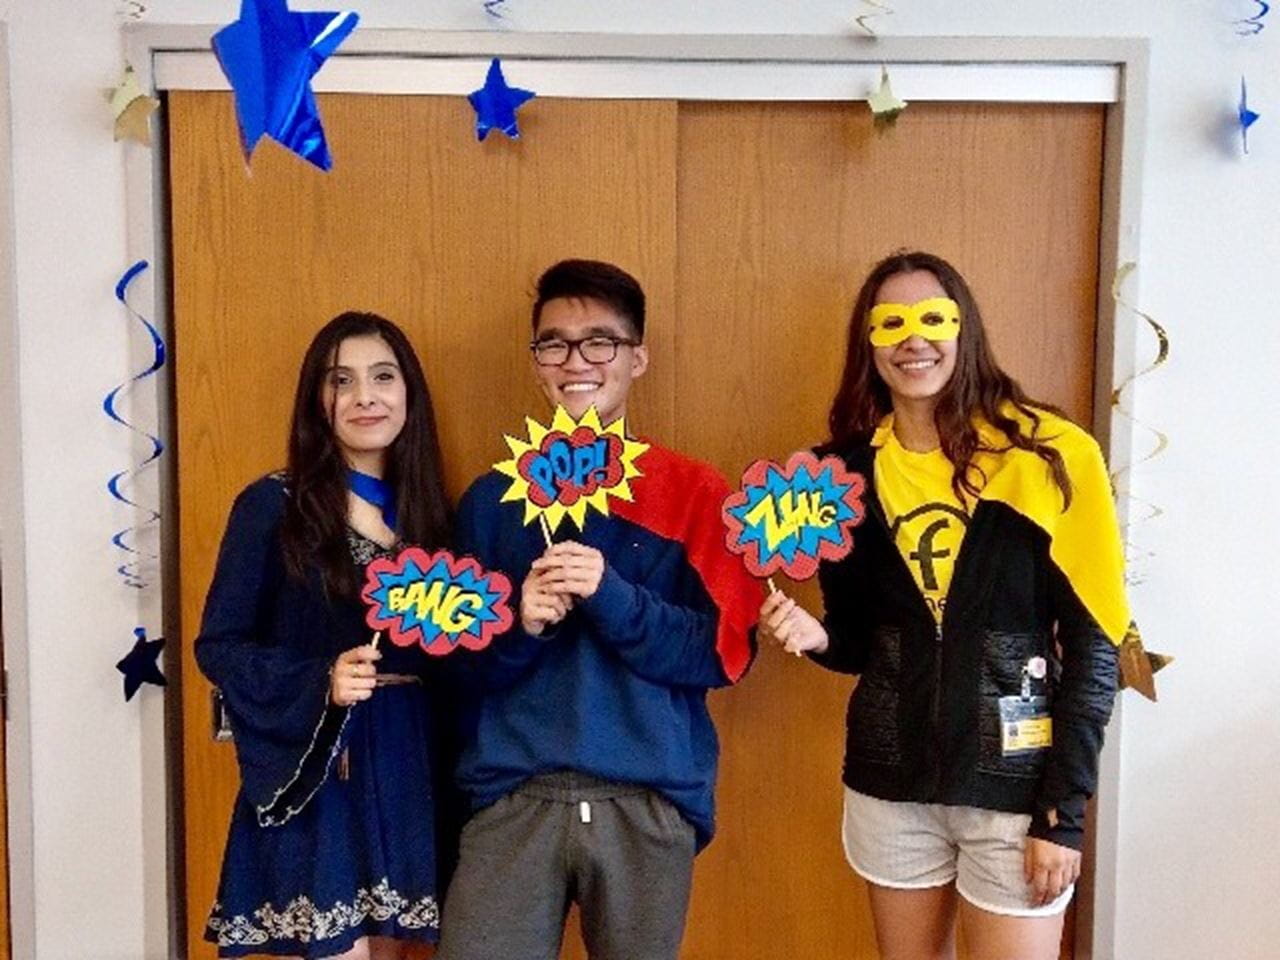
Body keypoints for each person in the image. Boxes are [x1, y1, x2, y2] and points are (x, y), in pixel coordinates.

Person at [760, 251, 1124, 960]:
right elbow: (862, 643)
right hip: (890, 789)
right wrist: (815, 637)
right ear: (869, 343)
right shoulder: (844, 476)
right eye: (890, 323)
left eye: (932, 318)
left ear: (966, 329)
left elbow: (1095, 645)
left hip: (1017, 793)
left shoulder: (1049, 456)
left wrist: (1064, 813)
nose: (913, 338)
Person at [436, 259, 760, 960]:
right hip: (512, 798)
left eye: (600, 342)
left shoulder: (693, 492)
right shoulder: (492, 502)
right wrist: (519, 625)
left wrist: (612, 596)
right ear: (537, 362)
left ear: (637, 357)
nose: (575, 362)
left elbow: (722, 653)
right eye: (554, 343)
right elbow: (457, 669)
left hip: (647, 803)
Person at [197, 312, 454, 959]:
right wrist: (320, 681)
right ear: (319, 399)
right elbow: (218, 645)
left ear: (409, 393)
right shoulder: (273, 505)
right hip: (320, 766)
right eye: (342, 380)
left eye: (383, 376)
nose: (365, 396)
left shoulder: (432, 515)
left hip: (406, 760)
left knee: (392, 951)